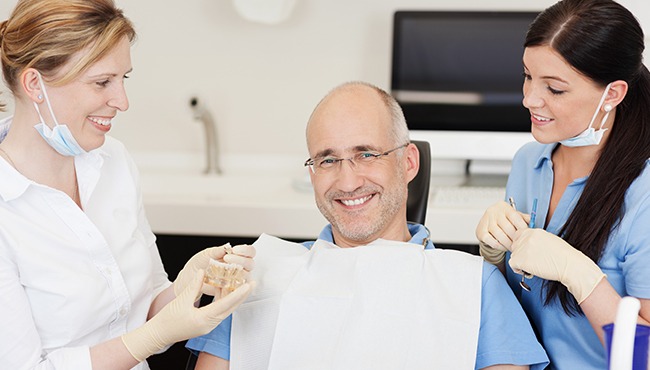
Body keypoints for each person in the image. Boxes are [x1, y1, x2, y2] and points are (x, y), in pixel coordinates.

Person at [187, 81, 549, 370]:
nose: (347, 182)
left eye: (366, 154)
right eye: (327, 160)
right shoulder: (259, 279)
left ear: (409, 163)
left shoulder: (475, 286)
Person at [0, 1, 255, 369]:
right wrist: (153, 337)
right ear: (34, 83)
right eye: (102, 82)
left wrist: (186, 286)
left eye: (124, 79)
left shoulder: (112, 161)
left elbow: (142, 307)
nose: (122, 101)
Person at [475, 0, 650, 368]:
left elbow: (642, 358)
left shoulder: (644, 195)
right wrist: (492, 259)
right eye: (527, 76)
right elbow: (515, 310)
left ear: (613, 94)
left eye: (554, 89)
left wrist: (583, 277)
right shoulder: (529, 161)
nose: (529, 99)